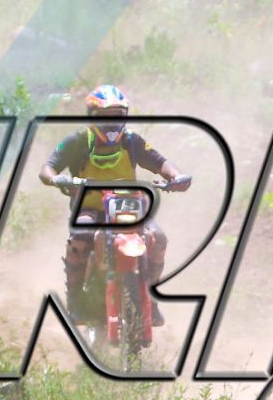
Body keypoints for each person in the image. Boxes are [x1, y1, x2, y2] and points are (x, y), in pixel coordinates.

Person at [36, 85, 189, 329]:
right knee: (80, 237)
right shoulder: (78, 141)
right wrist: (56, 179)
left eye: (116, 116)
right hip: (90, 208)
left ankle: (150, 297)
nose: (111, 123)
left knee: (158, 238)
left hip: (129, 207)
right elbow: (48, 167)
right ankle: (75, 301)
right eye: (105, 117)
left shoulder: (132, 141)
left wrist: (176, 177)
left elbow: (160, 162)